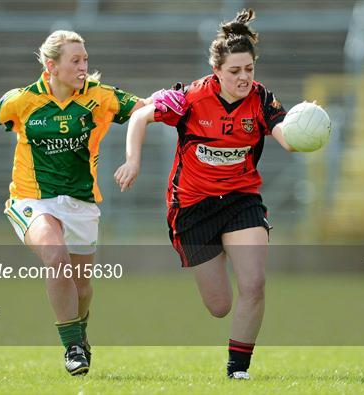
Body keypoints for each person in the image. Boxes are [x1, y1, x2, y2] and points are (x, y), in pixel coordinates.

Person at [0, 30, 184, 376]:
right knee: (56, 257)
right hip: (31, 200)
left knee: (82, 285)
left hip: (81, 204)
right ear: (51, 66)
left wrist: (168, 100)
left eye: (85, 59)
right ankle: (72, 347)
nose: (84, 66)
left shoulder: (99, 97)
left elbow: (142, 109)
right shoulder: (22, 99)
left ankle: (78, 333)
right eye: (76, 61)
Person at [114, 9, 301, 380]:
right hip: (192, 207)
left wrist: (307, 129)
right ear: (216, 70)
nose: (244, 77)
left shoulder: (261, 99)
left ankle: (238, 371)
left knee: (254, 283)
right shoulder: (191, 98)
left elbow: (289, 140)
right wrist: (132, 161)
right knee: (219, 306)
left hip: (240, 199)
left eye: (249, 69)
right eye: (235, 71)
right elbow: (139, 118)